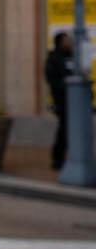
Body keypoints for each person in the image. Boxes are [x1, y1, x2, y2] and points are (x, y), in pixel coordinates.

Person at [45, 32, 76, 171]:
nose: (69, 42)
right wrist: (64, 86)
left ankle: (70, 158)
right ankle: (57, 160)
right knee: (63, 130)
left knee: (70, 130)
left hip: (74, 100)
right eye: (66, 40)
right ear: (60, 42)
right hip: (62, 100)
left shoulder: (71, 56)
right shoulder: (54, 58)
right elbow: (52, 79)